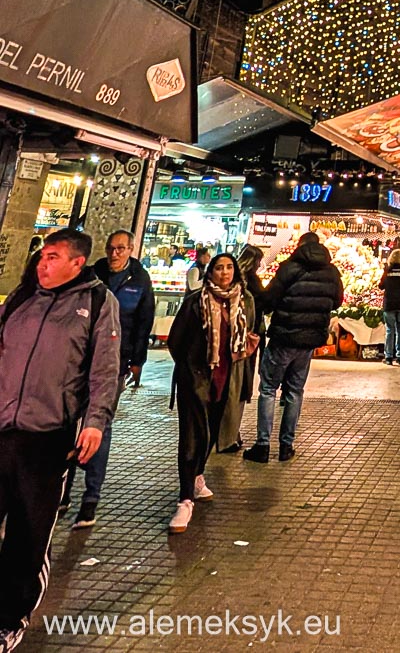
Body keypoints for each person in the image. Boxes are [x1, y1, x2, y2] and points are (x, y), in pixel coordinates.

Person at [0, 229, 120, 648]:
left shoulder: (98, 302)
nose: (42, 264)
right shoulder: (21, 297)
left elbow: (105, 371)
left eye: (52, 257)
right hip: (2, 429)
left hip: (49, 437)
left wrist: (95, 421)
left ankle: (10, 617)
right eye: (41, 257)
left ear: (77, 262)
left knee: (28, 535)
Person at [64, 230, 154, 527]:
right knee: (69, 421)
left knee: (99, 425)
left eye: (121, 249)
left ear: (130, 249)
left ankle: (91, 497)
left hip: (115, 362)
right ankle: (63, 490)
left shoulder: (140, 280)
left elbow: (144, 321)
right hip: (80, 360)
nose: (115, 253)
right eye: (111, 248)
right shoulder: (93, 275)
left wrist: (137, 360)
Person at [167, 252, 256, 533]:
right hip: (196, 379)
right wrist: (191, 367)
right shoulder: (196, 301)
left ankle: (197, 476)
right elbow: (175, 340)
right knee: (192, 437)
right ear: (210, 272)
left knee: (213, 433)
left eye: (229, 267)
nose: (225, 273)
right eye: (219, 268)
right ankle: (185, 500)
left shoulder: (246, 302)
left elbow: (250, 333)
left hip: (227, 379)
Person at [244, 232, 344, 465]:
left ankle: (263, 445)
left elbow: (270, 300)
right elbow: (338, 300)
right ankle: (286, 445)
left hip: (283, 337)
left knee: (268, 389)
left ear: (299, 245)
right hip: (309, 341)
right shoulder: (331, 272)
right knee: (295, 391)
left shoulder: (289, 268)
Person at [220, 245, 267, 453]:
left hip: (234, 340)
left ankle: (228, 433)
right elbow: (263, 304)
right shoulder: (250, 284)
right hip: (244, 341)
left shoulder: (236, 282)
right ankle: (229, 435)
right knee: (237, 387)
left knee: (231, 386)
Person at [379, 248, 400, 365]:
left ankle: (388, 357)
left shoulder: (387, 271)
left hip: (390, 304)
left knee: (389, 330)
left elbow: (381, 286)